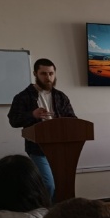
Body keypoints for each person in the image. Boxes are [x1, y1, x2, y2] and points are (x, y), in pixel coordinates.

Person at [7, 58, 75, 199]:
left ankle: (57, 211)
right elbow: (13, 120)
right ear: (35, 74)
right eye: (43, 73)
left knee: (62, 185)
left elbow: (72, 119)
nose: (48, 77)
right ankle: (42, 211)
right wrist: (32, 114)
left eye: (51, 73)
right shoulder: (23, 97)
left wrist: (64, 121)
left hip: (61, 148)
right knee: (48, 184)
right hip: (37, 149)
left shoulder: (60, 96)